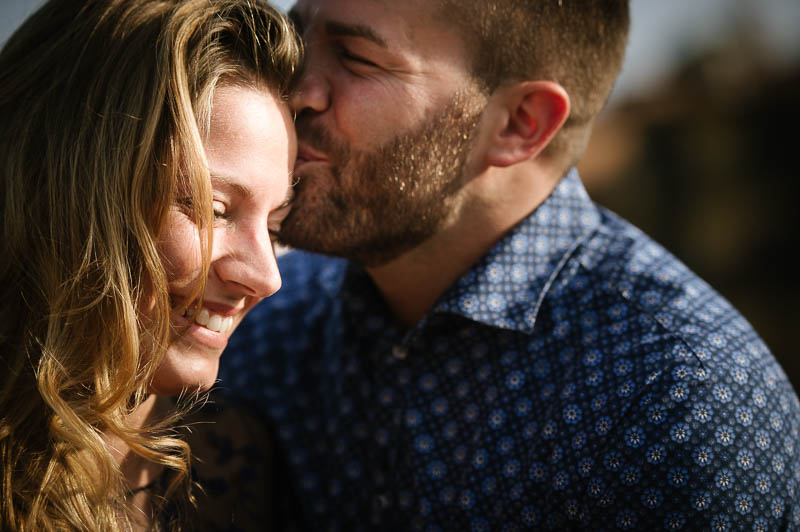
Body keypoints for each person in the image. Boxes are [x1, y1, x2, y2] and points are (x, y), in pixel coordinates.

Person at [221, 0, 800, 530]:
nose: (295, 91)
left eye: (355, 57)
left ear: (520, 123)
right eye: (298, 39)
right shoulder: (260, 320)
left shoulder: (678, 402)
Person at [0, 0, 301, 529]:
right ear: (68, 186)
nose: (265, 276)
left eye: (275, 228)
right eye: (212, 208)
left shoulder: (227, 466)